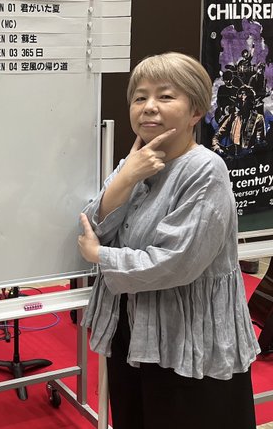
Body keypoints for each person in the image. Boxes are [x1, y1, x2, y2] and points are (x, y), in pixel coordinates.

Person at [77, 52, 260, 429]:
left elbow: (176, 261)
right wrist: (126, 178)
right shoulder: (137, 162)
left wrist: (101, 256)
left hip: (187, 335)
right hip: (132, 326)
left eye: (165, 96)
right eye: (140, 97)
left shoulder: (205, 170)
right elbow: (93, 226)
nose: (149, 107)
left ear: (196, 111)